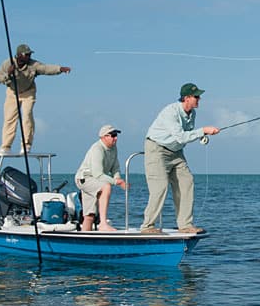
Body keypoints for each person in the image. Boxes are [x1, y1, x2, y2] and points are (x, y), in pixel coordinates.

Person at [140, 83, 220, 234]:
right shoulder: (170, 112)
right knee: (160, 187)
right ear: (186, 98)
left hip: (176, 152)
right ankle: (147, 226)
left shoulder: (192, 114)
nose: (199, 99)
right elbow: (181, 136)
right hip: (157, 149)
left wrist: (201, 136)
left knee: (187, 181)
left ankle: (185, 225)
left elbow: (187, 135)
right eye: (196, 96)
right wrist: (203, 130)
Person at [0, 43, 71, 155]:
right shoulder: (8, 63)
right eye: (27, 54)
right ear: (19, 55)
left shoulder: (33, 64)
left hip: (28, 92)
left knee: (27, 116)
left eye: (29, 54)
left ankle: (26, 145)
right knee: (9, 119)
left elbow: (45, 68)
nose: (29, 57)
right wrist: (8, 74)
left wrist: (60, 69)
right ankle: (6, 146)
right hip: (13, 92)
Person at [74, 124, 128, 231]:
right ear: (104, 137)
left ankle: (85, 241)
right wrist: (116, 182)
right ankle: (103, 223)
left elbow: (115, 168)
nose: (115, 138)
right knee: (106, 187)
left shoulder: (113, 148)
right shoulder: (97, 149)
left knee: (89, 215)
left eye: (116, 135)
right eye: (112, 135)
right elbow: (98, 174)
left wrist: (118, 178)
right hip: (85, 178)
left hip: (96, 180)